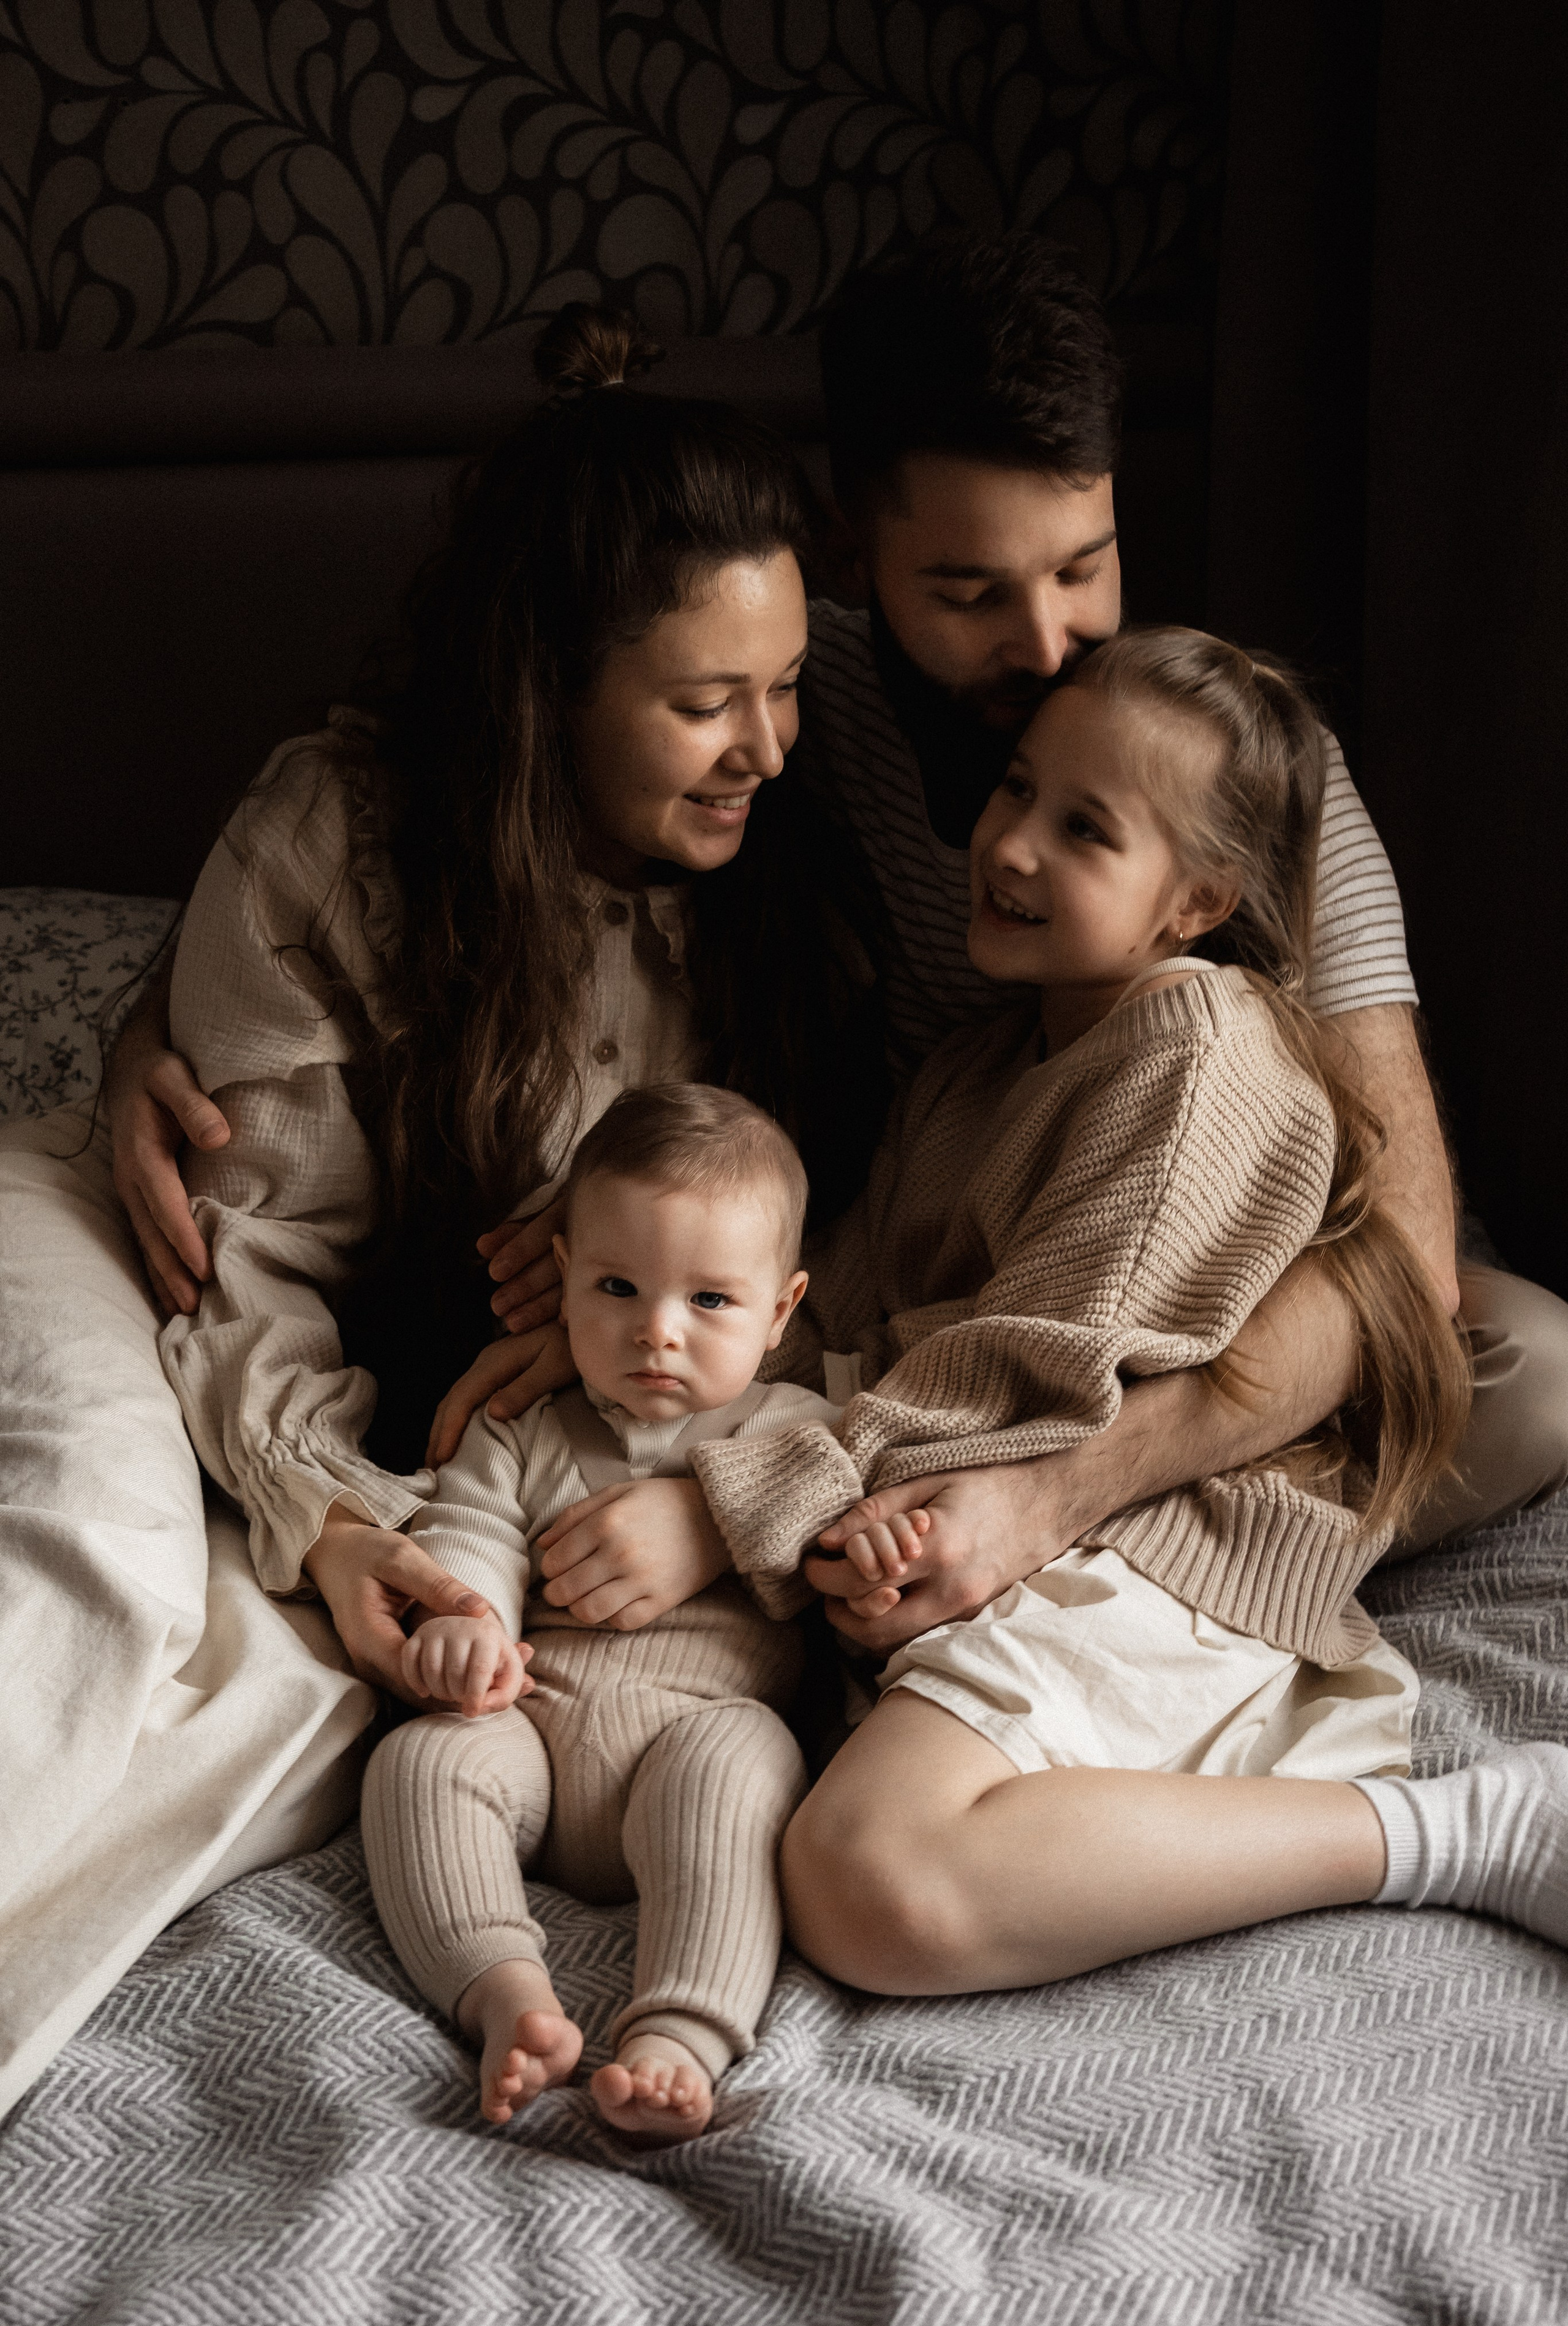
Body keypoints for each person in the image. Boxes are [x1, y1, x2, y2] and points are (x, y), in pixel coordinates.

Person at [114, 237, 1566, 1667]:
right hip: (900, 1318)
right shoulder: (799, 718)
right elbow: (402, 839)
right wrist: (144, 1024)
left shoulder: (1234, 770)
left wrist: (1039, 1497)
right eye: (969, 592)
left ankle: (1039, 1555)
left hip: (1177, 1324)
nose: (1051, 648)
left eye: (1083, 566)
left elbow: (1399, 1256)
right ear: (854, 560)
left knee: (1532, 1375)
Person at [0, 303, 875, 2116]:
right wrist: (328, 1519)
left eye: (787, 686)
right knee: (112, 1551)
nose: (768, 749)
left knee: (294, 1720)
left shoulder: (799, 871)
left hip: (469, 1421)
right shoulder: (343, 841)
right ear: (549, 688)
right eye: (708, 703)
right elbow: (245, 1264)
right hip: (143, 1239)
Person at [687, 626, 1568, 1995]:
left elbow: (1029, 1378)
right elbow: (838, 1327)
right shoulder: (973, 1073)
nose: (1013, 846)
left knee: (867, 1878)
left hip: (1159, 1535)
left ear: (1196, 902)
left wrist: (731, 1504)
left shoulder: (1195, 1047)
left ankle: (1458, 1830)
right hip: (999, 1518)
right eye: (1014, 791)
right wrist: (654, 1364)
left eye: (1083, 829)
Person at [360, 1085, 834, 2139]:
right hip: (531, 1731)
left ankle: (679, 2036)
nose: (657, 1333)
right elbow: (469, 1526)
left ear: (784, 1311)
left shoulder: (796, 1434)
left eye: (711, 1302)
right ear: (565, 1275)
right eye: (618, 1286)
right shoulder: (523, 1425)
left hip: (688, 1738)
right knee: (420, 1764)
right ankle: (503, 1995)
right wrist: (467, 1623)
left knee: (737, 1766)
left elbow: (828, 1543)